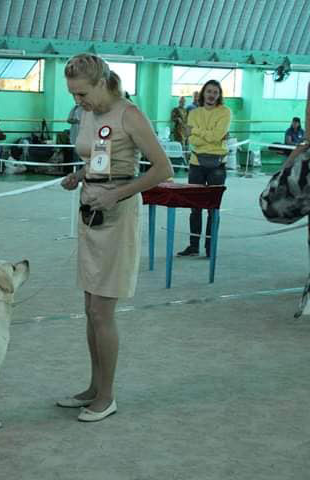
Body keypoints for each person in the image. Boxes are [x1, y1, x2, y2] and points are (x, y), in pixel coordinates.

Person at [58, 54, 173, 422]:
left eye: (81, 93)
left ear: (100, 83)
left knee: (102, 312)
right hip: (91, 210)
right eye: (72, 94)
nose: (77, 101)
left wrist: (118, 194)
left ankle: (107, 396)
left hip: (117, 216)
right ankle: (94, 387)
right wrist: (80, 175)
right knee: (90, 310)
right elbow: (100, 158)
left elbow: (163, 169)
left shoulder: (130, 114)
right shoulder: (90, 113)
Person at [177, 80, 232, 257]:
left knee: (213, 209)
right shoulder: (194, 113)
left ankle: (210, 248)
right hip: (196, 164)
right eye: (209, 91)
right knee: (195, 207)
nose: (211, 95)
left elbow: (216, 136)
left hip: (218, 164)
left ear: (219, 95)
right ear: (203, 93)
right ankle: (193, 246)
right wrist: (210, 136)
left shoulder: (225, 112)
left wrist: (196, 131)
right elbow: (193, 140)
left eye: (215, 92)